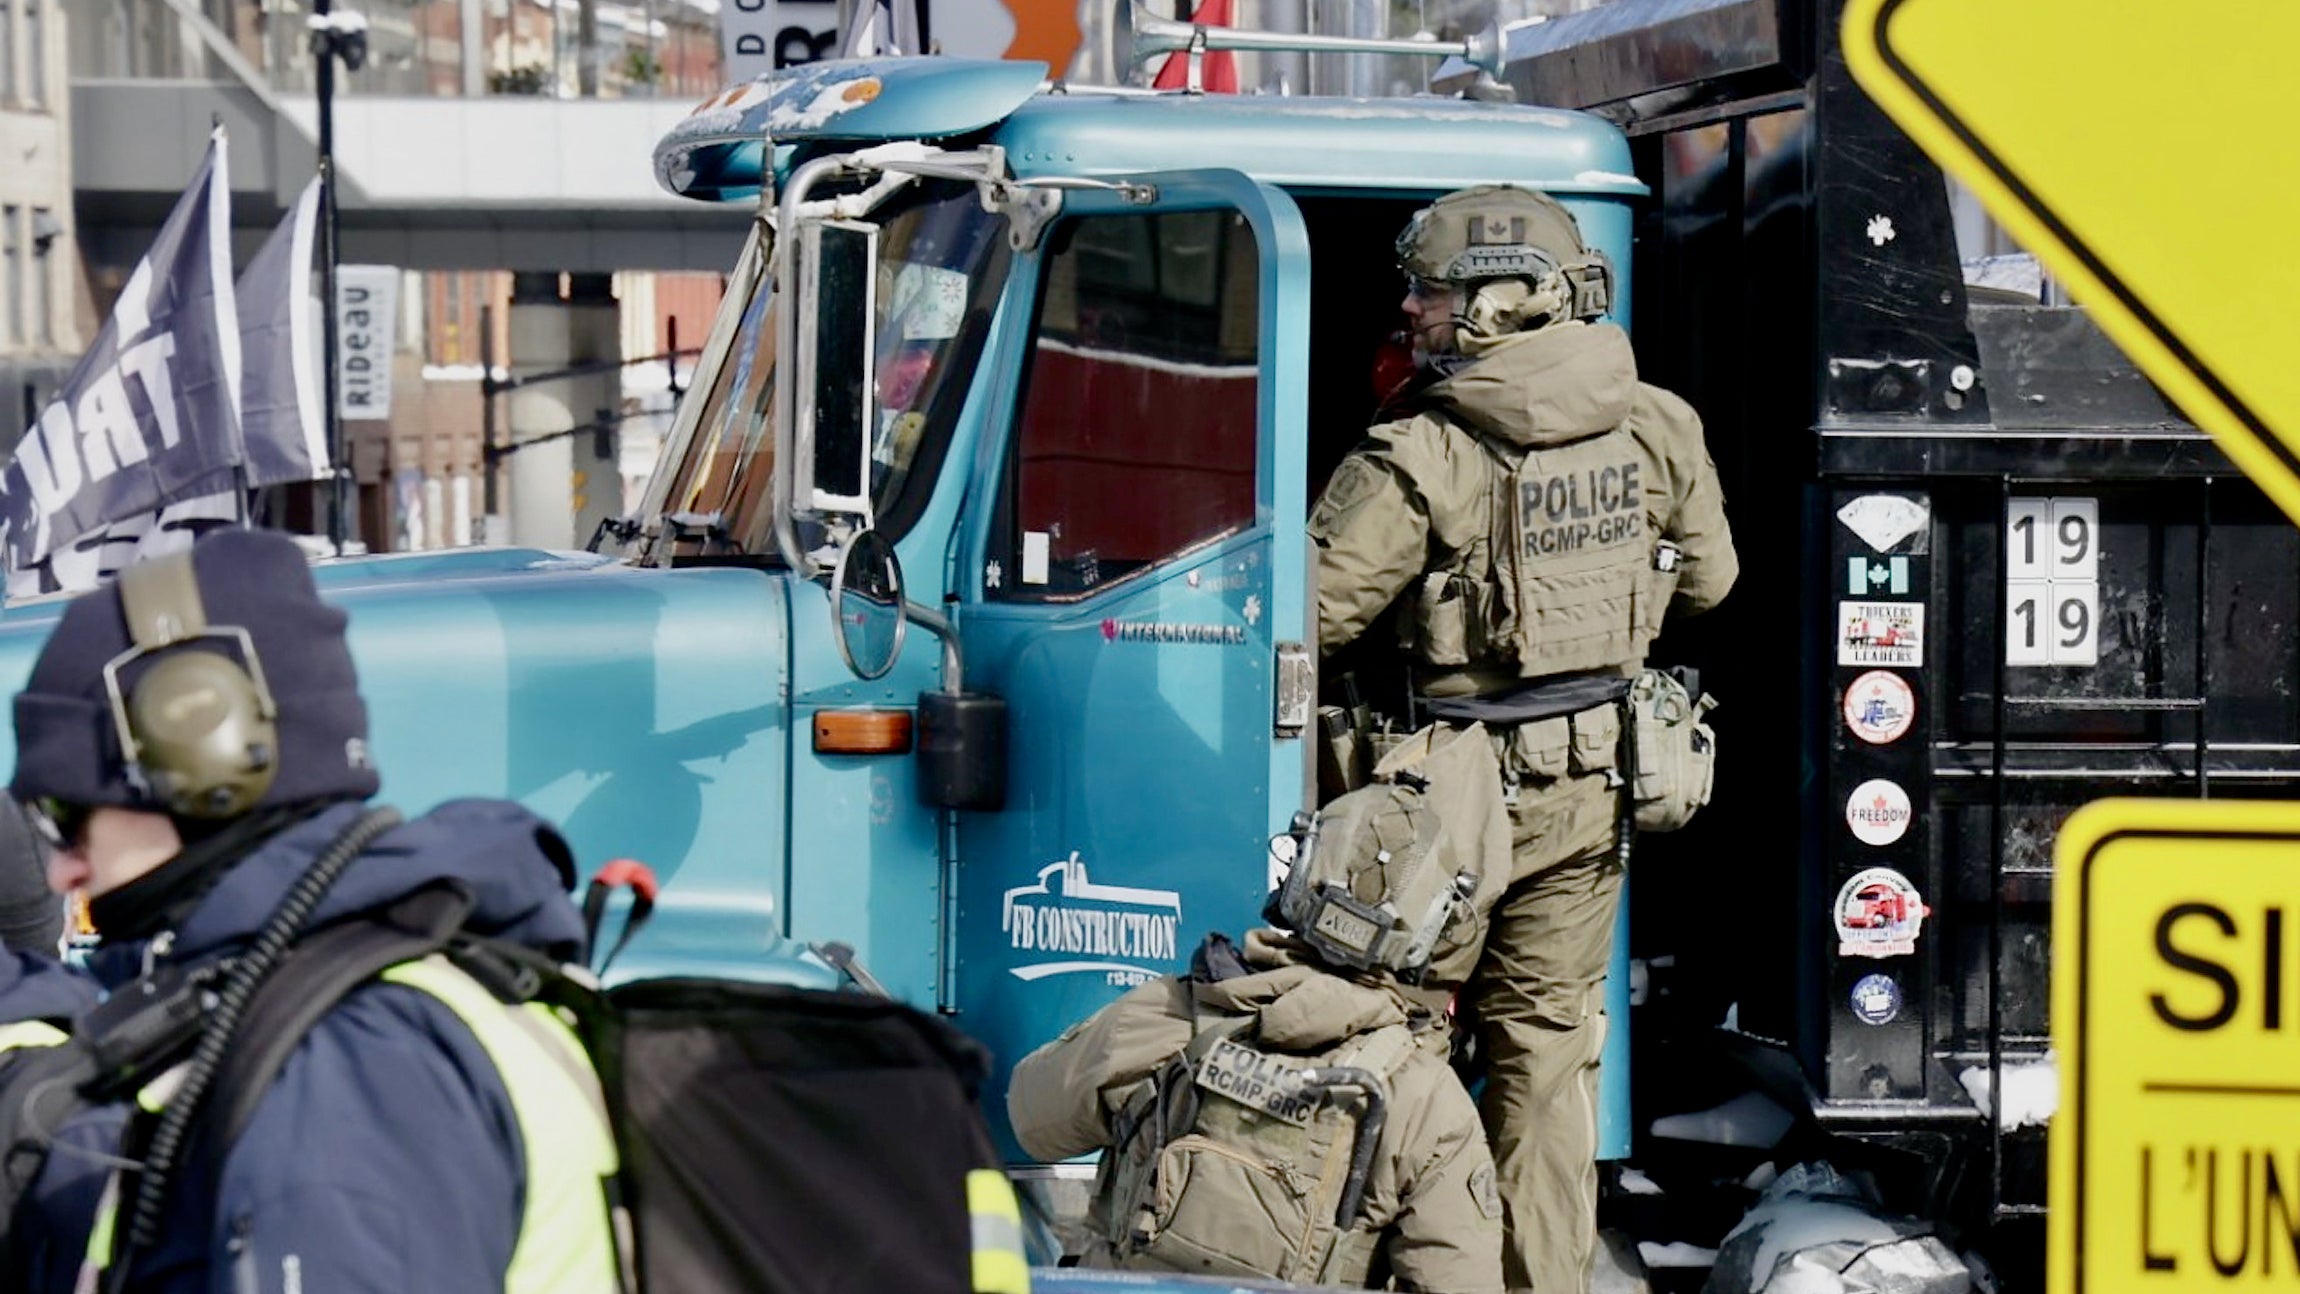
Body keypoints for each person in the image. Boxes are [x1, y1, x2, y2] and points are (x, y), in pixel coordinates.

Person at [1308, 185, 1739, 1294]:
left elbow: (1307, 616)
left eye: (1431, 292)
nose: (1410, 308)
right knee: (1543, 1059)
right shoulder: (1655, 423)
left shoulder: (1417, 452)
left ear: (1499, 304)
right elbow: (1709, 583)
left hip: (1439, 798)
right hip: (1596, 776)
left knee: (1384, 1034)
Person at [0, 528, 619, 1293]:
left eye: (70, 814)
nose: (63, 868)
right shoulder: (338, 983)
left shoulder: (351, 1075)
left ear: (206, 760)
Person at [1007, 726, 1512, 1294]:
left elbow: (1032, 1121)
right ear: (1431, 931)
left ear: (1300, 871)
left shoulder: (1175, 1012)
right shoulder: (1426, 1101)